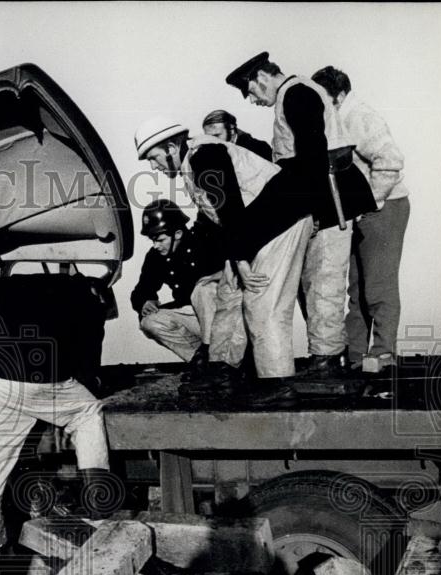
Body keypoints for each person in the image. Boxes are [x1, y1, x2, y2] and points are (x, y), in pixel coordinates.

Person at [134, 116, 315, 404]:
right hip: (255, 228)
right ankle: (223, 373)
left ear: (170, 146)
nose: (154, 167)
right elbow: (216, 219)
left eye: (154, 158)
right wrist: (232, 263)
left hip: (281, 221)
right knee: (228, 295)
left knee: (261, 300)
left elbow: (229, 206)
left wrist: (240, 260)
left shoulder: (205, 155)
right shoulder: (191, 164)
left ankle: (277, 384)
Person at [225, 52, 377, 377]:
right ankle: (326, 360)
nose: (252, 100)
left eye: (250, 91)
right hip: (325, 200)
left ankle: (328, 366)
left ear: (261, 78)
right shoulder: (294, 93)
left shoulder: (296, 94)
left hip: (331, 203)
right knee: (317, 285)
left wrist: (256, 228)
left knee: (324, 285)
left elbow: (309, 164)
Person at [0, 273, 112, 575]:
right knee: (87, 412)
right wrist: (90, 383)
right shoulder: (90, 298)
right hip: (37, 375)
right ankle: (99, 512)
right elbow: (88, 364)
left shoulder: (16, 281)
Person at [312, 65, 410, 372]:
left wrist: (372, 202)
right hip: (357, 213)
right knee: (356, 287)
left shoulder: (359, 116)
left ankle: (382, 353)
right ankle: (354, 354)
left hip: (384, 209)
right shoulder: (336, 119)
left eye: (324, 101)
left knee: (378, 286)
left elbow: (391, 159)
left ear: (340, 95)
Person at [131, 199, 223, 377]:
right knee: (150, 322)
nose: (155, 245)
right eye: (152, 240)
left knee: (204, 289)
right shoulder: (156, 256)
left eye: (160, 239)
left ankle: (220, 362)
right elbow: (141, 289)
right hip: (193, 316)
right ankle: (202, 362)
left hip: (222, 316)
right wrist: (145, 301)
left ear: (178, 233)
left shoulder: (205, 241)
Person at [202, 109, 273, 161]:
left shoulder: (259, 149)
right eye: (208, 137)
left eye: (216, 136)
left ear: (231, 129)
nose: (212, 141)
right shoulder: (207, 152)